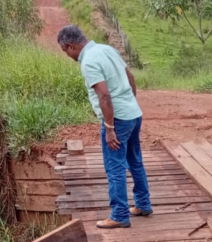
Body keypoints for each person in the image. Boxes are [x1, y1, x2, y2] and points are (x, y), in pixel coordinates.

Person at [57, 25, 152, 229]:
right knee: (135, 161)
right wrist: (129, 104)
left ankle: (119, 215)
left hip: (117, 120)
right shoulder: (107, 49)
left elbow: (104, 96)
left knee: (114, 167)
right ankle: (143, 204)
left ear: (71, 45)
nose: (67, 55)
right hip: (133, 114)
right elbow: (130, 77)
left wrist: (109, 128)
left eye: (65, 51)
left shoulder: (89, 61)